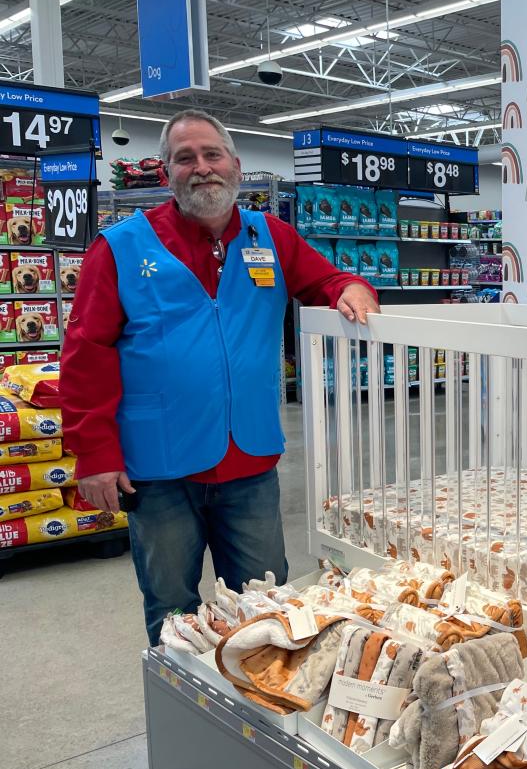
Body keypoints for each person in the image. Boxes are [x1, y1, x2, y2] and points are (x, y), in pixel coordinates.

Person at [61, 109, 379, 645]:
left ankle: (255, 720)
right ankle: (187, 720)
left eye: (212, 155)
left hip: (248, 462)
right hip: (157, 468)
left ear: (235, 165)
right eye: (185, 158)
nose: (202, 168)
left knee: (267, 607)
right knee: (172, 613)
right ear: (166, 174)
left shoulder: (271, 236)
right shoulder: (120, 248)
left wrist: (351, 287)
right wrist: (93, 453)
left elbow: (327, 278)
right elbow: (86, 352)